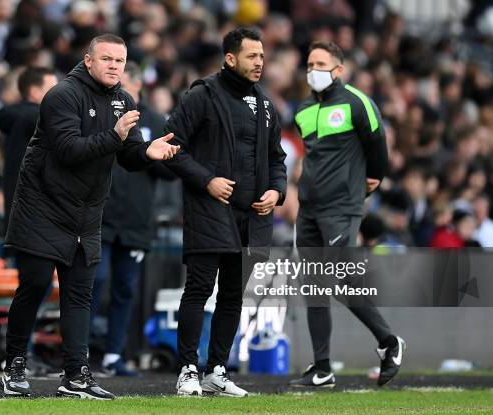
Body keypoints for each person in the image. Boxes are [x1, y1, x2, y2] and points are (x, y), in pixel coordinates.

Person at [1, 33, 179, 400]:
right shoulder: (61, 95)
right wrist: (115, 137)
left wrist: (148, 152)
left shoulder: (124, 101)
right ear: (88, 60)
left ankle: (75, 376)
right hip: (42, 206)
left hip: (85, 214)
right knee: (34, 285)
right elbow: (68, 150)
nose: (114, 66)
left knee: (80, 294)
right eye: (107, 59)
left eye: (120, 61)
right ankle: (15, 363)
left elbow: (127, 156)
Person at [164, 27, 287, 396]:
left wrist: (276, 191)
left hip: (251, 217)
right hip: (209, 209)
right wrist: (207, 181)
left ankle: (217, 369)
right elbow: (171, 147)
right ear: (230, 59)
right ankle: (187, 368)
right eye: (253, 56)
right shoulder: (203, 95)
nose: (260, 63)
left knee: (234, 294)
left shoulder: (265, 105)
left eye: (263, 57)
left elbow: (276, 159)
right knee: (199, 288)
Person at [290, 41, 405, 389]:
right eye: (310, 63)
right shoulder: (304, 110)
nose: (314, 69)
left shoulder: (357, 102)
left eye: (321, 63)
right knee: (313, 285)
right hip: (309, 208)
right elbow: (313, 157)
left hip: (342, 206)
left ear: (338, 69)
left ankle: (389, 341)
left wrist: (371, 182)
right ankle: (322, 368)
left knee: (337, 277)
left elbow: (378, 147)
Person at [90, 61, 175, 377]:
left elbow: (169, 173)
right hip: (100, 214)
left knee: (125, 289)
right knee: (93, 283)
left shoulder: (154, 120)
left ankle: (113, 354)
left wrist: (164, 154)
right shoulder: (99, 113)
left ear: (137, 86)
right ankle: (79, 353)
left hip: (137, 222)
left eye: (123, 82)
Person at [0, 67, 58, 230]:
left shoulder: (16, 117)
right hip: (36, 217)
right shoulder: (39, 119)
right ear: (35, 92)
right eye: (53, 89)